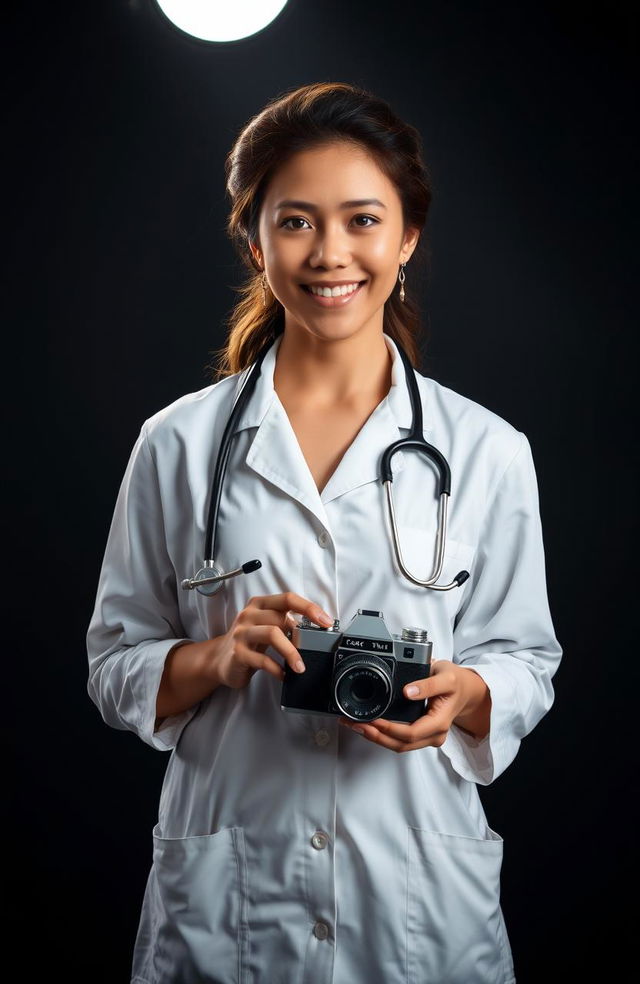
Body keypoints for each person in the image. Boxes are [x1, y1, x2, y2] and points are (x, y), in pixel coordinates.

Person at [86, 81, 562, 984]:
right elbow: (114, 666)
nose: (331, 254)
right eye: (296, 222)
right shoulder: (179, 445)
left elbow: (527, 660)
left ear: (407, 237)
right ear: (254, 239)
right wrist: (220, 656)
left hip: (416, 903)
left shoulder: (487, 451)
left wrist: (467, 695)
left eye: (363, 220)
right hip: (230, 911)